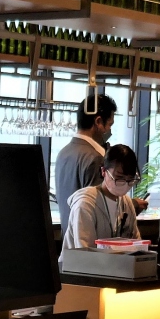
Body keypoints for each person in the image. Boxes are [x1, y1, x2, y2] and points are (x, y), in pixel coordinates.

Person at [55, 93, 117, 236]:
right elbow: (100, 212)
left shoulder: (63, 153)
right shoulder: (96, 158)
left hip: (69, 242)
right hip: (88, 244)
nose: (109, 131)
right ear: (98, 121)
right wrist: (133, 206)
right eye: (110, 124)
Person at [62, 145, 141, 253]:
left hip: (116, 263)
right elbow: (85, 250)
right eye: (119, 178)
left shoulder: (126, 202)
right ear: (104, 171)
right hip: (81, 263)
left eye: (130, 180)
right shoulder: (86, 204)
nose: (124, 184)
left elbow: (137, 245)